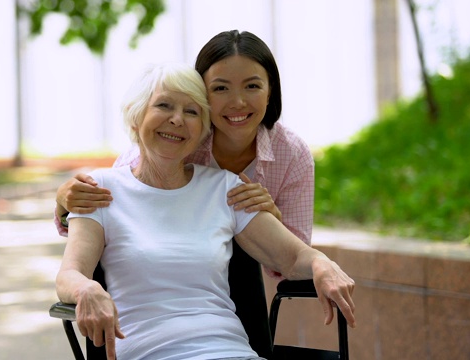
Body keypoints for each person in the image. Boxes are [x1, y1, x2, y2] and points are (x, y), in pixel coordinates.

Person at [57, 62, 355, 360]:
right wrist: (85, 289)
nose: (177, 119)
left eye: (192, 112)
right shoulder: (100, 190)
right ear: (136, 118)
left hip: (231, 351)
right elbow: (70, 273)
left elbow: (292, 256)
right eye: (164, 105)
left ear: (203, 131)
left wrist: (321, 264)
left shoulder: (225, 188)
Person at [54, 31, 315, 281]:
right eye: (221, 88)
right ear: (201, 94)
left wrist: (272, 222)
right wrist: (65, 205)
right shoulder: (175, 140)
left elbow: (292, 264)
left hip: (233, 289)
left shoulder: (292, 155)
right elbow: (112, 212)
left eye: (252, 86)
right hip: (166, 277)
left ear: (270, 92)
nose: (237, 101)